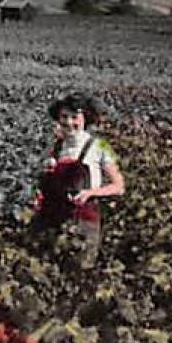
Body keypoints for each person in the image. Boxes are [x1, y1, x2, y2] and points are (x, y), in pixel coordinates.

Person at [34, 93, 123, 258]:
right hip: (54, 220)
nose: (69, 122)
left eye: (74, 117)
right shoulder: (55, 147)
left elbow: (118, 186)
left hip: (85, 221)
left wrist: (90, 193)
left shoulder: (101, 145)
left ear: (85, 118)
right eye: (64, 117)